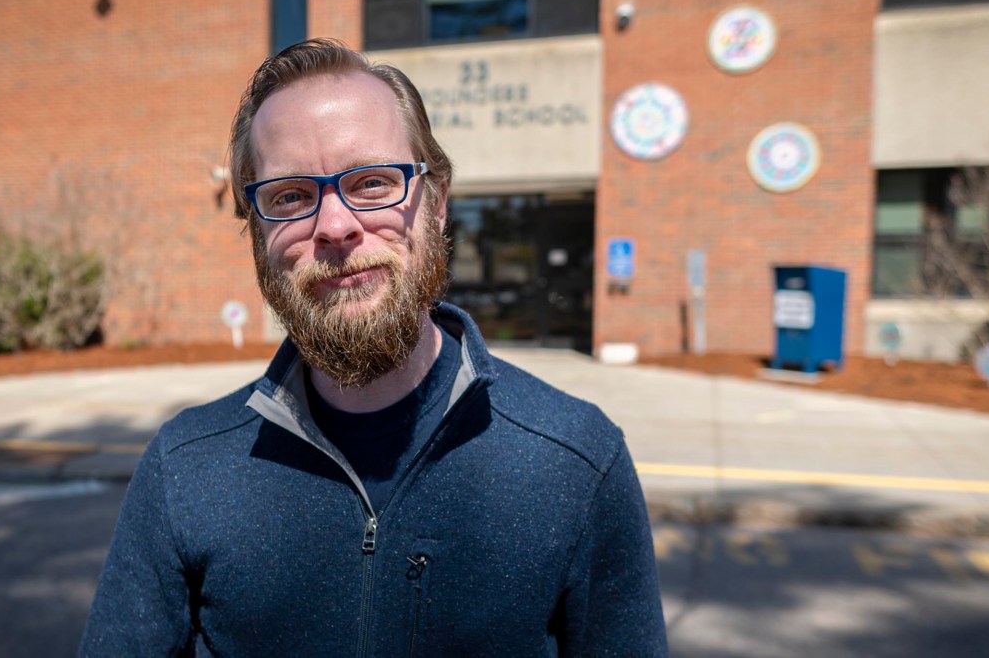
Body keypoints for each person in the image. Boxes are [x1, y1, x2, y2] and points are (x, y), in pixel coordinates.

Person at [80, 38, 667, 657]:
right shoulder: (184, 470)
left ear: (436, 204)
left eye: (372, 183)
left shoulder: (576, 459)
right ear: (258, 233)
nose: (334, 226)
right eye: (290, 196)